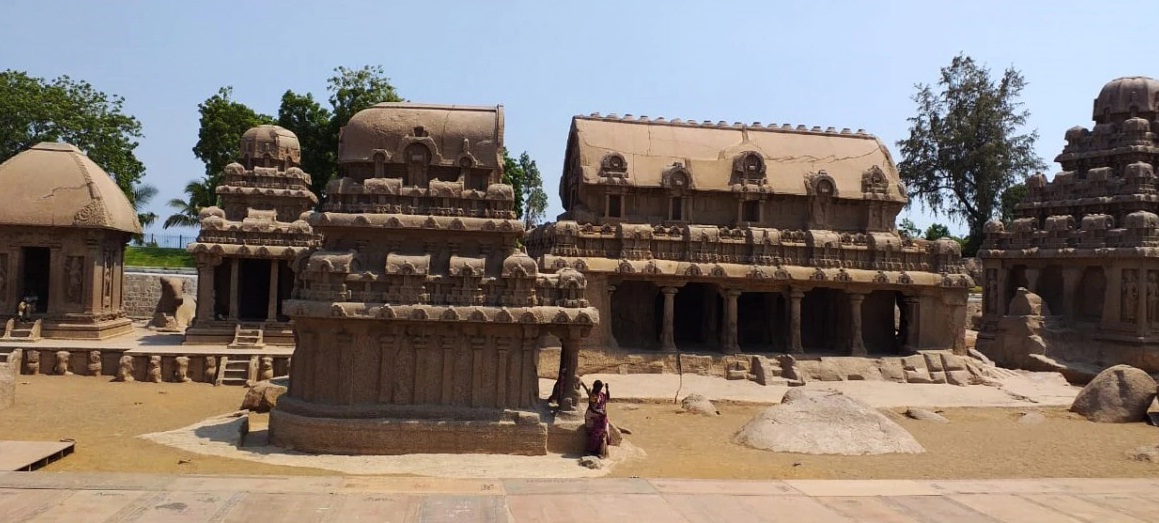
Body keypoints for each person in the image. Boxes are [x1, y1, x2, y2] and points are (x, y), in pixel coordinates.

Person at [582, 379, 611, 457]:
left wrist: (607, 389)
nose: (598, 389)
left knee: (603, 432)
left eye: (600, 388)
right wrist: (600, 413)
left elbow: (608, 398)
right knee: (597, 432)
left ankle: (599, 450)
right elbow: (592, 408)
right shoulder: (593, 396)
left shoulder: (601, 395)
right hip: (592, 416)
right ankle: (590, 450)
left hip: (600, 415)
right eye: (597, 387)